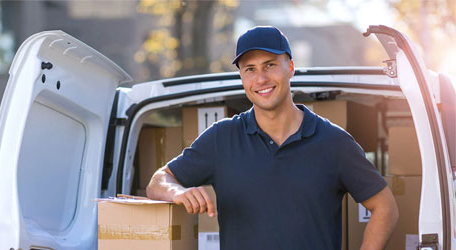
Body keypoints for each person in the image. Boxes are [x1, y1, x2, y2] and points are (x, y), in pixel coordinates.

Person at [147, 26, 398, 250]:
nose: (261, 79)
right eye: (250, 69)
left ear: (290, 67)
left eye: (269, 65)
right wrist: (177, 192)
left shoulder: (334, 142)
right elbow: (158, 182)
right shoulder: (221, 138)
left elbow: (385, 208)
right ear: (242, 78)